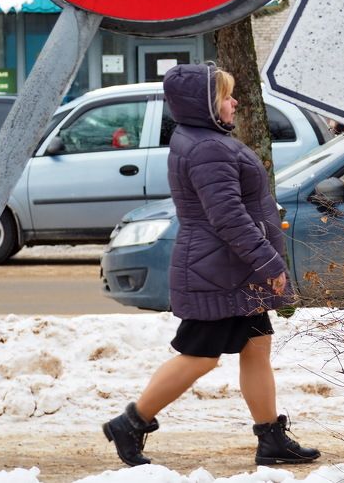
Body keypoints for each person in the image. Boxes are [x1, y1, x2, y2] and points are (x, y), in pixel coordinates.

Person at [102, 63, 320, 468]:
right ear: (204, 104)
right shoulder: (207, 148)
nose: (234, 102)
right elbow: (228, 217)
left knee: (256, 347)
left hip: (229, 269)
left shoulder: (201, 139)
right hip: (218, 270)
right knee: (200, 354)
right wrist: (268, 262)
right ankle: (130, 423)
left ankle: (270, 439)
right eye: (225, 96)